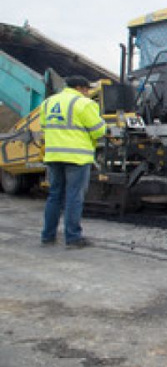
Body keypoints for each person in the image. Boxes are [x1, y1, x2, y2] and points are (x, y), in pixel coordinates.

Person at [40, 75, 106, 248]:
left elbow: (44, 127)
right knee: (74, 197)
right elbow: (99, 131)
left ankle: (47, 236)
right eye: (87, 89)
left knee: (54, 196)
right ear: (79, 88)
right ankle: (73, 238)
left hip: (54, 156)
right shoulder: (84, 104)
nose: (88, 93)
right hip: (77, 157)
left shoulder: (48, 103)